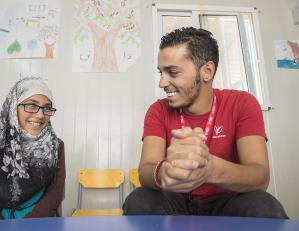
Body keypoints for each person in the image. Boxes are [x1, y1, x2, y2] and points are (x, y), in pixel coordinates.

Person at [123, 27, 288, 218]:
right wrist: (163, 173)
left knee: (264, 205)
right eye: (161, 72)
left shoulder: (242, 103)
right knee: (139, 201)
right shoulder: (158, 110)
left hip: (227, 201)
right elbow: (146, 169)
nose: (162, 83)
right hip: (176, 200)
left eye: (173, 72)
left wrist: (211, 170)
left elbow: (259, 176)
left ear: (207, 71)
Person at [0, 77, 66, 220]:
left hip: (38, 223)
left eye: (47, 108)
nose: (40, 115)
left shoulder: (55, 146)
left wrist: (27, 226)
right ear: (13, 108)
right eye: (32, 105)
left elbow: (54, 194)